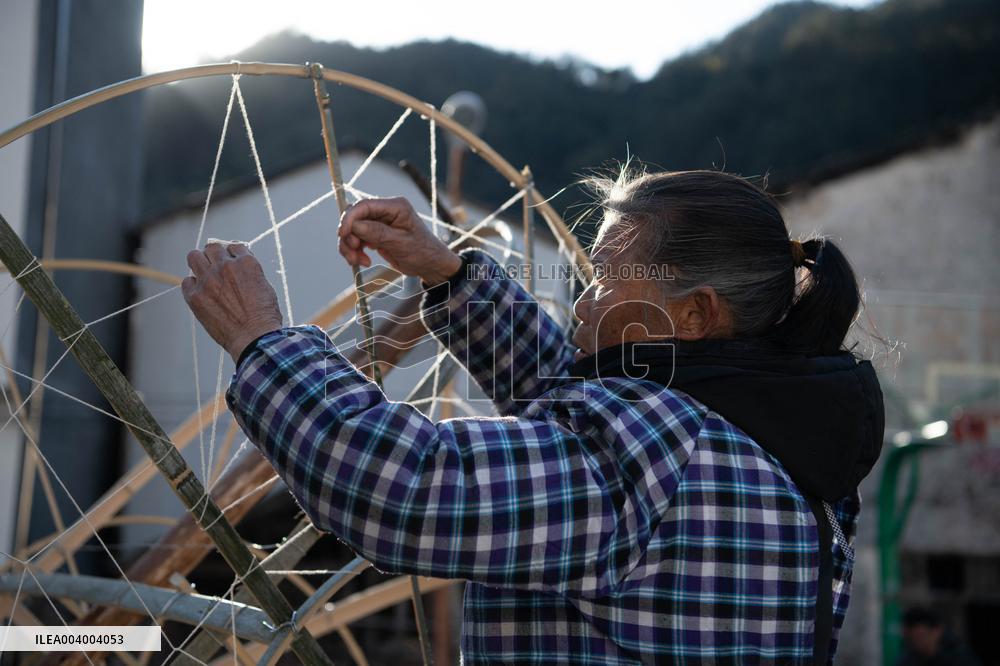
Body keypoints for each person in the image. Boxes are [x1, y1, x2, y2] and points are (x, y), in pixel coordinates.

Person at [183, 168, 885, 664]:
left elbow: (410, 489)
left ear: (696, 314)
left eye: (606, 279)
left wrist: (263, 342)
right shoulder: (768, 438)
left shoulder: (657, 448)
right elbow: (567, 406)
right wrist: (449, 275)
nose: (581, 302)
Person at [898, 607, 982, 666]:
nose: (917, 641)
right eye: (912, 637)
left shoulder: (959, 657)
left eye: (921, 635)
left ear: (937, 631)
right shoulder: (909, 659)